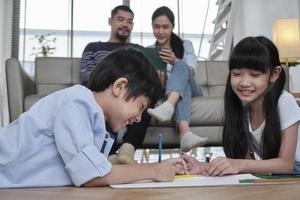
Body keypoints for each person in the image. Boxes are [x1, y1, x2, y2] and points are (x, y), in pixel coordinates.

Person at [0, 47, 188, 188]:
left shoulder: (97, 122)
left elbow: (95, 167)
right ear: (119, 87)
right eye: (140, 107)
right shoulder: (77, 102)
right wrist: (154, 170)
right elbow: (91, 176)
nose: (139, 118)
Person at [182, 36, 300, 176]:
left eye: (254, 75)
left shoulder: (284, 101)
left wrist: (237, 164)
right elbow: (246, 165)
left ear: (274, 74)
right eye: (237, 74)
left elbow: (286, 165)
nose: (244, 82)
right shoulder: (242, 110)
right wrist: (203, 167)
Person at [80, 5, 153, 164]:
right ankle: (107, 156)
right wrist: (114, 76)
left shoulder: (138, 51)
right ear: (110, 21)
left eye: (130, 21)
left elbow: (146, 78)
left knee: (142, 100)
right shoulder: (94, 48)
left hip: (131, 91)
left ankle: (127, 151)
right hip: (105, 91)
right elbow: (87, 76)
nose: (125, 24)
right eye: (120, 19)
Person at [147, 6, 208, 152]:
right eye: (157, 27)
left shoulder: (185, 45)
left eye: (165, 27)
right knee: (182, 87)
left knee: (181, 65)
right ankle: (185, 133)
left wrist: (175, 61)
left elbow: (190, 72)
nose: (160, 31)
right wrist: (157, 81)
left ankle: (168, 105)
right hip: (164, 90)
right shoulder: (149, 50)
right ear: (152, 27)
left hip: (192, 88)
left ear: (172, 27)